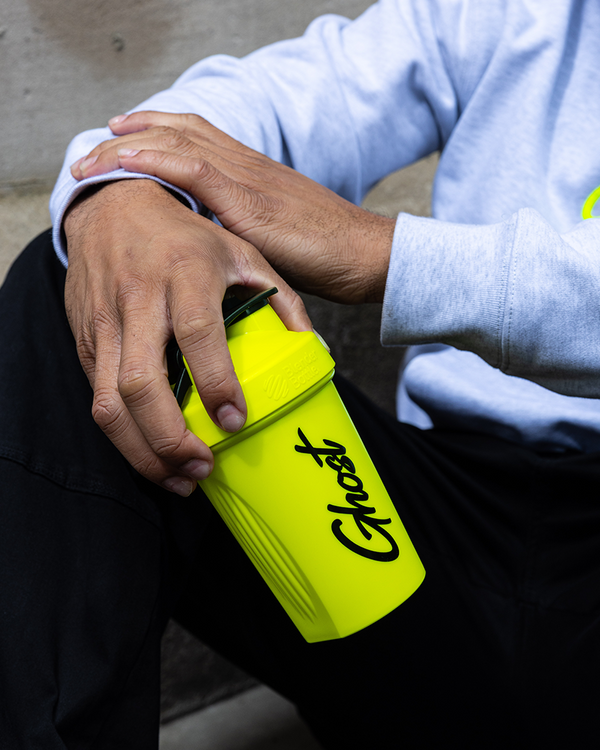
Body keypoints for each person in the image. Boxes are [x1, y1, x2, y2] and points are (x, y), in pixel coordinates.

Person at [2, 0, 600, 746]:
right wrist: (122, 193)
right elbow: (292, 94)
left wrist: (381, 253)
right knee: (91, 282)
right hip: (443, 529)